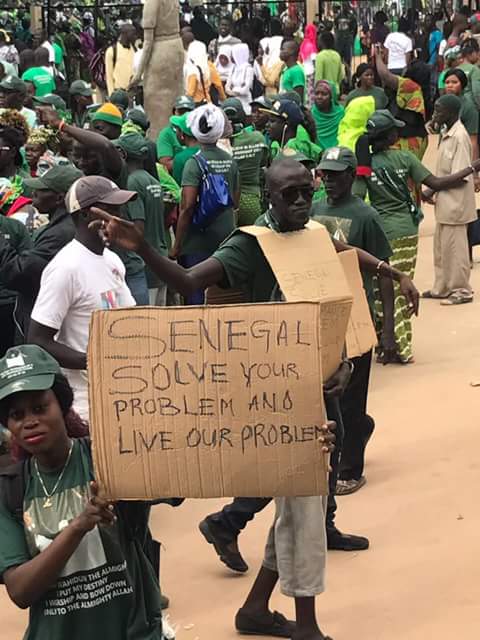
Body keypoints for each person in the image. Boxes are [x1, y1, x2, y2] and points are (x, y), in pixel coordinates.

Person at [89, 158, 419, 605]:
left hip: (321, 369)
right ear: (269, 197)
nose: (300, 201)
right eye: (289, 195)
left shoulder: (309, 230)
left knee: (326, 454)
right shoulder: (251, 244)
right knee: (293, 472)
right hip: (276, 379)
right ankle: (233, 532)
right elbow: (188, 280)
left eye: (306, 192)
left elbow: (341, 252)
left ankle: (304, 535)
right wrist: (145, 248)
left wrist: (393, 273)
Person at [0, 344, 169, 640]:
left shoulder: (107, 457)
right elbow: (20, 590)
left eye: (40, 408)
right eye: (17, 415)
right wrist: (79, 526)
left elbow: (175, 484)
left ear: (63, 405)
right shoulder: (10, 489)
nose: (30, 422)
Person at [355, 109, 480, 362]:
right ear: (391, 136)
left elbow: (357, 196)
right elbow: (437, 183)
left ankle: (384, 342)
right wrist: (471, 168)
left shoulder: (366, 165)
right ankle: (401, 347)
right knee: (402, 287)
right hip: (405, 231)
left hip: (379, 232)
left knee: (381, 289)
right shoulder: (406, 158)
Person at [311, 146, 394, 494]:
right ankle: (360, 429)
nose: (329, 181)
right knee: (328, 394)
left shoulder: (365, 216)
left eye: (335, 175)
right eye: (325, 175)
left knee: (352, 395)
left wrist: (387, 328)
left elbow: (384, 273)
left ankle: (350, 470)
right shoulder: (313, 209)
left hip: (357, 317)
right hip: (323, 313)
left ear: (350, 175)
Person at [28, 176, 136, 420]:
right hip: (86, 402)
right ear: (87, 214)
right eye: (111, 210)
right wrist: (96, 360)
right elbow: (38, 339)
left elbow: (129, 317)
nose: (119, 217)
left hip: (122, 392)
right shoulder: (66, 268)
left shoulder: (112, 260)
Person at [40, 106, 149, 307]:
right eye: (77, 156)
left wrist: (62, 125)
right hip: (96, 267)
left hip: (127, 268)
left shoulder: (112, 174)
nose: (82, 162)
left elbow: (106, 146)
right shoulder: (78, 183)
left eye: (89, 156)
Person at [0, 164, 81, 340]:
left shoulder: (60, 234)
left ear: (59, 198)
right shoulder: (65, 226)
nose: (34, 193)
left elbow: (19, 274)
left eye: (42, 190)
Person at [170, 104, 239, 304]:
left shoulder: (194, 163)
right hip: (225, 239)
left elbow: (187, 207)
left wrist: (177, 245)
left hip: (197, 241)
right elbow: (235, 201)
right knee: (223, 298)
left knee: (196, 296)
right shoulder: (230, 161)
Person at [422, 95, 476, 305]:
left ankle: (462, 290)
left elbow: (460, 175)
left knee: (455, 250)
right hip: (445, 202)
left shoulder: (459, 137)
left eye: (439, 110)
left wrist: (432, 189)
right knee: (441, 248)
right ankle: (442, 287)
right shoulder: (446, 133)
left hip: (456, 203)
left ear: (452, 113)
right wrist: (434, 191)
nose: (435, 114)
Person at [115, 133, 169, 305]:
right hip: (160, 257)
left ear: (123, 154)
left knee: (147, 317)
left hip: (147, 263)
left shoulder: (132, 182)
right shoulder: (153, 180)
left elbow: (138, 228)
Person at [375, 50, 430, 161]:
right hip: (417, 138)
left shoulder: (411, 86)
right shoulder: (423, 89)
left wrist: (378, 57)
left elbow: (385, 76)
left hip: (408, 140)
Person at [222, 97, 268, 225]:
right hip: (251, 202)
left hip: (225, 202)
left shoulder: (218, 145)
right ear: (243, 116)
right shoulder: (258, 138)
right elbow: (263, 163)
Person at [263, 99, 321, 164]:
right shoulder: (276, 146)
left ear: (286, 124)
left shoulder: (297, 149)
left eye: (272, 121)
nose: (267, 124)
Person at [443, 68, 479, 163]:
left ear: (463, 84)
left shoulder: (468, 107)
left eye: (454, 82)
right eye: (447, 82)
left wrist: (473, 169)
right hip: (446, 154)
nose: (450, 85)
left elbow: (473, 141)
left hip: (462, 156)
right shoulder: (443, 105)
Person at [157, 95, 195, 173]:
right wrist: (186, 158)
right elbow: (166, 165)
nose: (185, 115)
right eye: (181, 112)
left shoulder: (198, 131)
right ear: (174, 112)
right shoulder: (166, 134)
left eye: (188, 111)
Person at [185, 40, 226, 106]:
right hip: (207, 102)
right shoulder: (209, 65)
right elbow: (218, 85)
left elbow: (191, 92)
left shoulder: (191, 69)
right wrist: (224, 99)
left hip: (195, 104)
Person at [311, 80, 345, 151]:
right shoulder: (311, 114)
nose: (319, 97)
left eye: (324, 94)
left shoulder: (340, 113)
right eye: (317, 93)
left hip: (338, 152)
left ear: (332, 97)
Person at [105, 23, 137, 96]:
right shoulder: (112, 51)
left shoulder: (135, 50)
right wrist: (112, 95)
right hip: (118, 93)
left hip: (132, 92)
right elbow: (109, 76)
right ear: (125, 34)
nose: (135, 37)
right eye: (133, 34)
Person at [225, 43, 254, 115]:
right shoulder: (233, 68)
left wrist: (233, 90)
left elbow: (245, 90)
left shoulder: (248, 69)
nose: (231, 57)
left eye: (233, 54)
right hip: (234, 102)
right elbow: (227, 86)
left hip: (245, 103)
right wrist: (237, 90)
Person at [299, 23, 318, 107]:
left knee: (306, 92)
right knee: (311, 92)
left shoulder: (304, 44)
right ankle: (310, 108)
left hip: (304, 70)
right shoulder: (312, 45)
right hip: (311, 72)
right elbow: (314, 60)